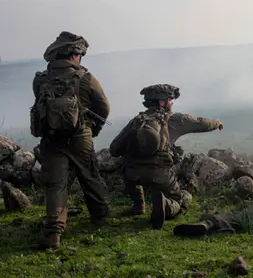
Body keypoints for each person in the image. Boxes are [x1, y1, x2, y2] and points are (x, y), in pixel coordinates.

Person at [30, 31, 111, 249]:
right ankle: (100, 216)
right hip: (80, 136)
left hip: (51, 139)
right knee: (89, 176)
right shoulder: (86, 78)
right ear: (74, 55)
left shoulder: (40, 79)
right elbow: (103, 107)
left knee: (56, 185)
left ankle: (53, 233)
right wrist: (93, 129)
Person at [109, 84, 223, 228]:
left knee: (130, 171)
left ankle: (138, 204)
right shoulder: (176, 119)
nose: (172, 102)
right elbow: (202, 123)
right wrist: (217, 123)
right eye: (170, 99)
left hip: (132, 174)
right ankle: (167, 206)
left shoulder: (136, 121)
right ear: (162, 102)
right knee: (180, 198)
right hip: (159, 174)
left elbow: (114, 149)